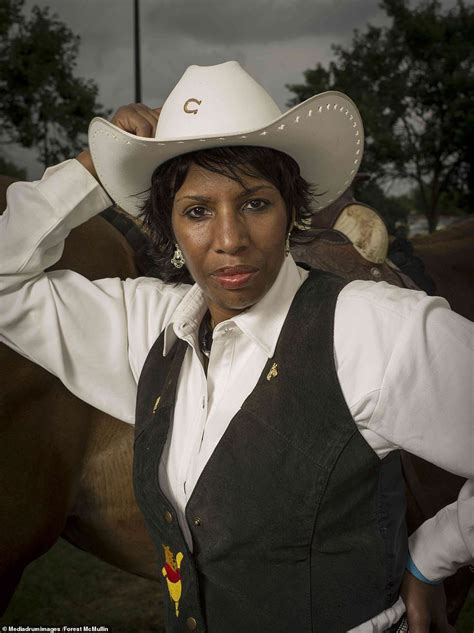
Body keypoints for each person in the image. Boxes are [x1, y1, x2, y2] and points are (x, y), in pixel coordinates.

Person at [0, 61, 472, 633]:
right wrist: (93, 166)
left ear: (291, 210)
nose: (229, 240)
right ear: (169, 227)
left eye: (255, 203)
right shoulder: (148, 327)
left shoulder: (372, 327)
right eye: (197, 211)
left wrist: (429, 558)